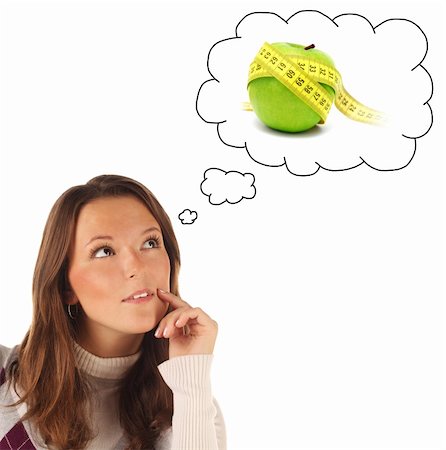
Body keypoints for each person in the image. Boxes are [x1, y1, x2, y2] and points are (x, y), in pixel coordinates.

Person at [0, 174, 226, 450]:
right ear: (65, 286)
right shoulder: (5, 379)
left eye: (150, 243)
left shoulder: (192, 405)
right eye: (105, 251)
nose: (136, 267)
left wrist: (190, 378)